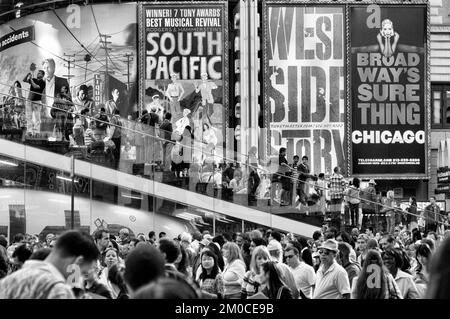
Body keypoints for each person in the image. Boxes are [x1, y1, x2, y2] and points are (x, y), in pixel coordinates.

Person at [0, 230, 99, 299]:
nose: (79, 278)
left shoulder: (10, 280)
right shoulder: (58, 291)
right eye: (82, 272)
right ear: (78, 262)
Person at [23, 70, 46, 136]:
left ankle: (36, 132)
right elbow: (25, 80)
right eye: (37, 73)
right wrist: (27, 75)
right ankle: (29, 131)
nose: (38, 74)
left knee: (37, 117)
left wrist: (31, 79)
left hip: (37, 101)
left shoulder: (43, 82)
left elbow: (35, 86)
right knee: (28, 116)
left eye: (39, 73)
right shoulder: (33, 79)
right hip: (29, 100)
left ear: (42, 75)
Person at [328, 167, 346, 231]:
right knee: (338, 209)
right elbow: (344, 185)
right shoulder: (341, 177)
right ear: (338, 171)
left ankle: (333, 222)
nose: (340, 171)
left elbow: (328, 185)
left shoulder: (331, 177)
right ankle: (337, 223)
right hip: (339, 195)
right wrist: (343, 191)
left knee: (333, 209)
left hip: (332, 195)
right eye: (340, 170)